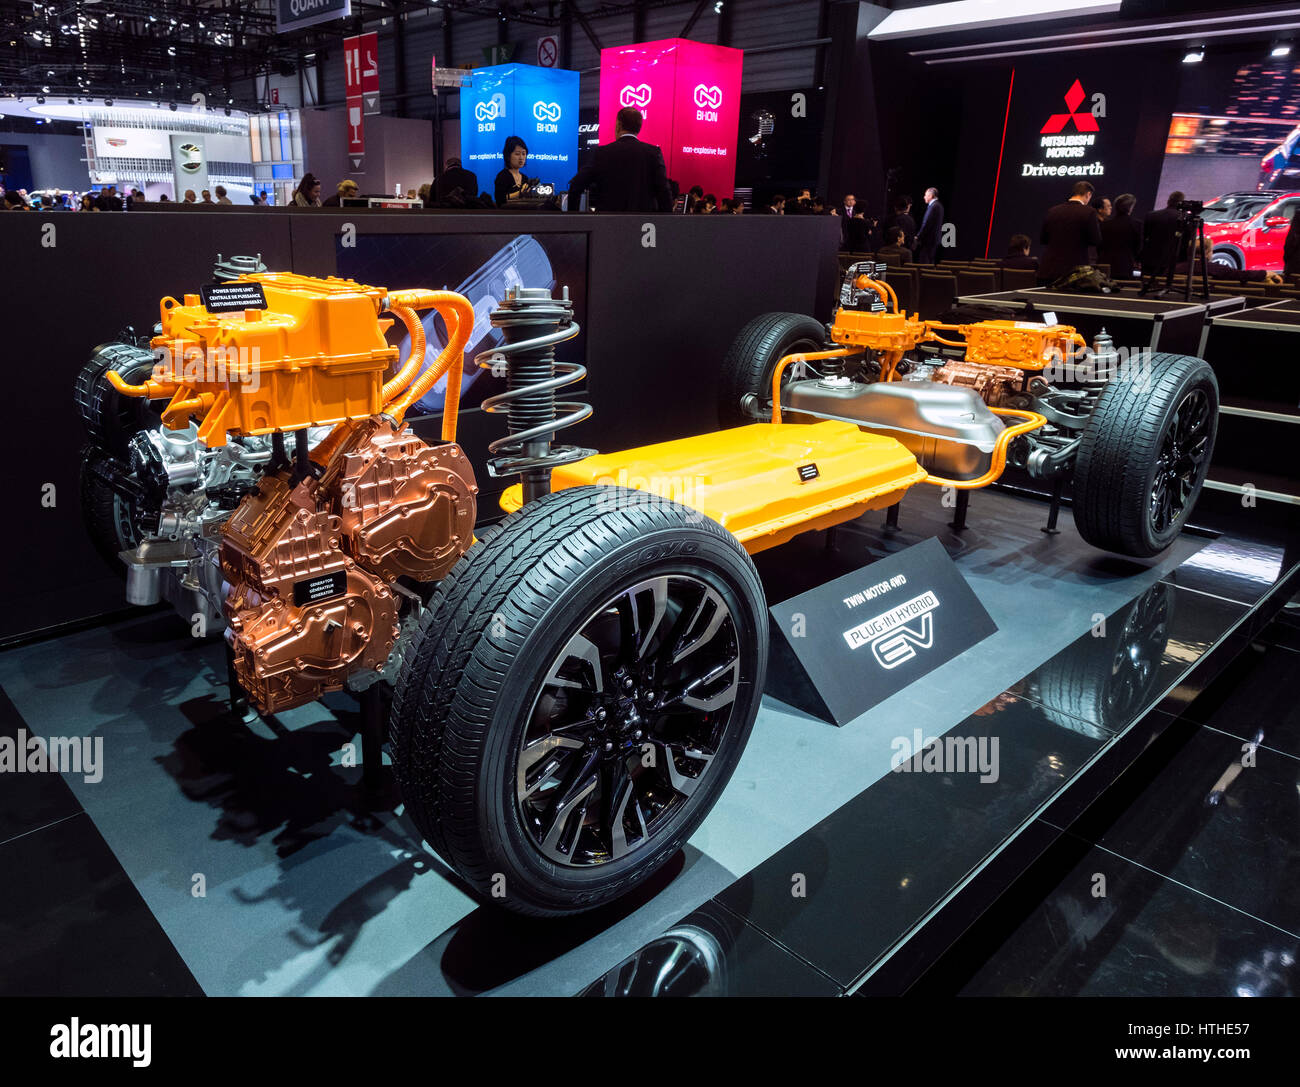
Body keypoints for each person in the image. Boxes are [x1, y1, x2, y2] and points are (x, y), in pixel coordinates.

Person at [567, 106, 671, 213]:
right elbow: (663, 191)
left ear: (618, 125)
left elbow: (576, 185)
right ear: (639, 128)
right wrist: (666, 224)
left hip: (607, 224)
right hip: (644, 225)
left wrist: (573, 217)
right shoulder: (653, 153)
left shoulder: (602, 153)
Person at [1038, 180, 1102, 284]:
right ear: (1088, 194)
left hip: (1049, 269)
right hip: (1074, 272)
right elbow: (1095, 240)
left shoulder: (1052, 211)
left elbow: (1043, 239)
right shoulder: (1089, 212)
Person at [1142, 191, 1187, 278]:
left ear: (1168, 201)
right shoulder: (1185, 219)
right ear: (1181, 203)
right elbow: (1185, 243)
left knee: (1145, 286)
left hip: (1150, 260)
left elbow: (1143, 238)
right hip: (1172, 263)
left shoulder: (1151, 215)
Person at [1098, 192, 1142, 280]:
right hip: (1125, 267)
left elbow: (1099, 246)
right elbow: (1139, 247)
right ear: (1131, 208)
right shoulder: (1137, 225)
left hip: (1104, 267)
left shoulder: (1104, 224)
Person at [914, 187, 945, 264]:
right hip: (932, 240)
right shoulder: (938, 205)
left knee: (924, 263)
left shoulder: (934, 206)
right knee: (929, 261)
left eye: (925, 195)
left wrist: (918, 236)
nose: (924, 197)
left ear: (930, 196)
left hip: (929, 241)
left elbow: (927, 224)